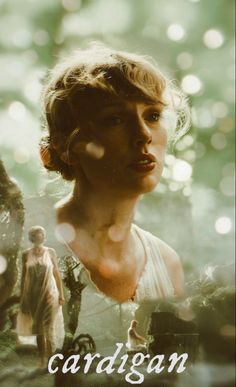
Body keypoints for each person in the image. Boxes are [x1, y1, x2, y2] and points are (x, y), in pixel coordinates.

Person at [39, 43, 190, 354]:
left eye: (153, 115)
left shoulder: (166, 265)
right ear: (67, 145)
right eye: (115, 120)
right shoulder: (23, 252)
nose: (145, 134)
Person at [16, 226, 65, 366]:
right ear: (32, 237)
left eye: (42, 234)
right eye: (37, 235)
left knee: (49, 326)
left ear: (44, 237)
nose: (40, 237)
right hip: (33, 295)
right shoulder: (26, 254)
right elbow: (24, 277)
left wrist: (61, 294)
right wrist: (22, 298)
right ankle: (42, 359)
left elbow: (56, 274)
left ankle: (50, 359)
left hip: (51, 293)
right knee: (38, 328)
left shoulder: (50, 252)